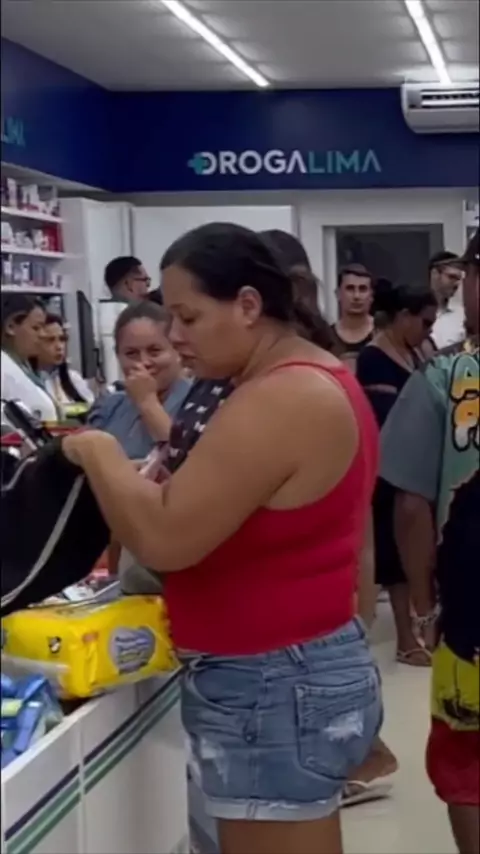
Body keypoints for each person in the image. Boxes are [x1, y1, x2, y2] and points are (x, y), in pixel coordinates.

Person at [63, 222, 382, 854]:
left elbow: (165, 536)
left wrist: (96, 451)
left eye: (188, 317)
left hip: (272, 676)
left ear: (247, 305)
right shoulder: (291, 381)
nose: (177, 336)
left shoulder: (284, 395)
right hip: (281, 668)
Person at [380, 229, 479, 854]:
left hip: (469, 614)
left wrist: (423, 605)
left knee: (468, 757)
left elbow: (413, 505)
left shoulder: (444, 376)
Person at [356, 281, 437, 667]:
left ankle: (424, 627)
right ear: (404, 317)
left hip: (419, 464)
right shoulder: (374, 358)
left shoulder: (418, 351)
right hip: (387, 468)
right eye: (424, 322)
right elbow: (381, 418)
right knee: (393, 557)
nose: (428, 331)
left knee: (421, 552)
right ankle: (405, 638)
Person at [88, 301, 191, 460]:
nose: (143, 362)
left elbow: (187, 460)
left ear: (177, 350)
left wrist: (147, 402)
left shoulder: (199, 403)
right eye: (131, 353)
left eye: (154, 351)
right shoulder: (110, 406)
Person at [1, 293, 58, 423]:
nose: (43, 335)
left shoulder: (23, 367)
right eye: (36, 328)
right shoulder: (4, 370)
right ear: (10, 327)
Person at [34, 313, 95, 411]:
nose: (59, 347)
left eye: (62, 339)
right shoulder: (30, 382)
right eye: (50, 340)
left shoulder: (74, 379)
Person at [331, 264, 375, 367]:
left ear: (371, 296)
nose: (356, 296)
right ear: (338, 294)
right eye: (350, 288)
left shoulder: (384, 337)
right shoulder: (326, 337)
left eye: (362, 289)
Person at [429, 251, 465, 349]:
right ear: (435, 274)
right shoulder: (416, 314)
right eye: (452, 277)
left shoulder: (462, 317)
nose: (457, 283)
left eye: (459, 279)